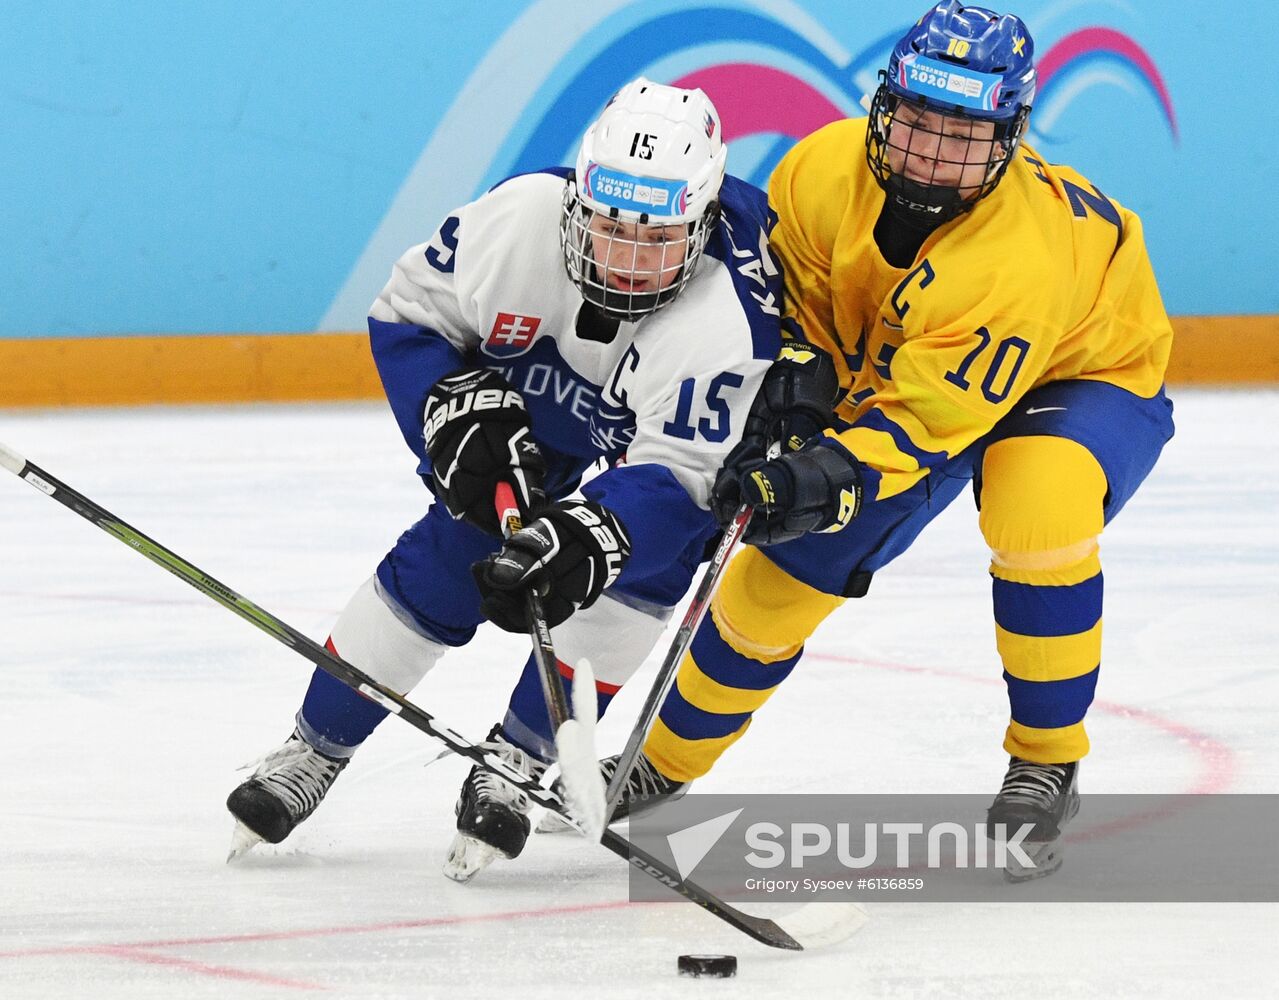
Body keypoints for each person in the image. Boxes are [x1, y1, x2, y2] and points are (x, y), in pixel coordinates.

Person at [626, 1, 1175, 881]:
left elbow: (924, 425)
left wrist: (821, 471)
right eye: (917, 118)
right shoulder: (820, 167)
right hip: (904, 370)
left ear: (1009, 136)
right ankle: (660, 762)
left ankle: (1044, 757)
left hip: (1077, 374)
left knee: (1038, 509)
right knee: (777, 581)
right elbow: (793, 300)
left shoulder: (1016, 259)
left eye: (961, 133)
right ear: (886, 103)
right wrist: (794, 396)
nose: (927, 151)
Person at [225, 77, 784, 880]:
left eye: (654, 239)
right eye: (607, 227)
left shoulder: (726, 317)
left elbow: (684, 477)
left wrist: (593, 534)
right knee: (458, 544)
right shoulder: (517, 219)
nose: (625, 260)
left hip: (653, 441)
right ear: (576, 200)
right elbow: (408, 315)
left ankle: (516, 759)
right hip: (541, 394)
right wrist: (444, 409)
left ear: (697, 225)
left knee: (642, 568)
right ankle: (312, 749)